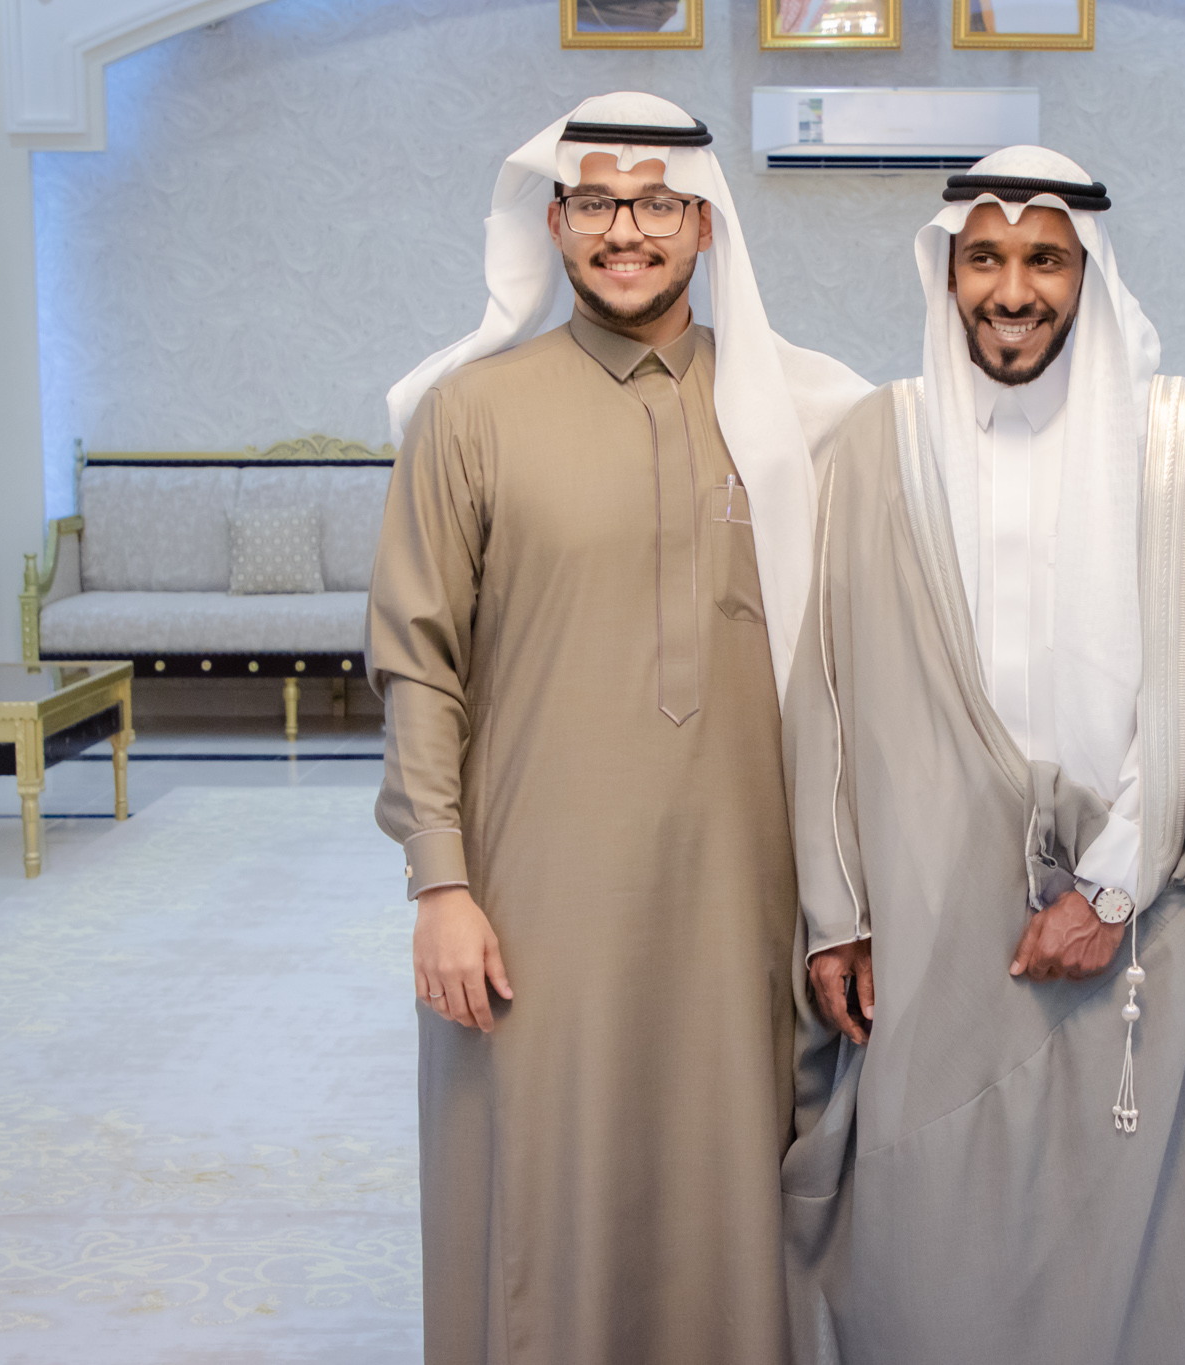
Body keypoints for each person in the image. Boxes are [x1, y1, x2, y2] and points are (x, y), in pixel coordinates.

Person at [780, 147, 1185, 1364]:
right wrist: (835, 913)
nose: (1011, 290)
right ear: (945, 271)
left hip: (1132, 901)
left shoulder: (1167, 441)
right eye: (984, 258)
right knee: (927, 1233)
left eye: (1044, 260)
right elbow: (828, 695)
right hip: (924, 902)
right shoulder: (878, 441)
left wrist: (1111, 888)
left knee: (1121, 1237)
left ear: (1088, 275)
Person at [369, 92, 868, 1365]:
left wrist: (1172, 494)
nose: (625, 231)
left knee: (728, 1177)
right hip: (533, 891)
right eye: (595, 201)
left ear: (704, 226)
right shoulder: (471, 413)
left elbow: (974, 497)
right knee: (540, 1177)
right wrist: (440, 883)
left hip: (740, 894)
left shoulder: (805, 418)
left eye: (656, 203)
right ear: (553, 223)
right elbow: (417, 663)